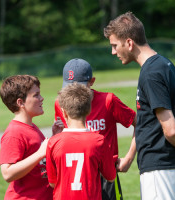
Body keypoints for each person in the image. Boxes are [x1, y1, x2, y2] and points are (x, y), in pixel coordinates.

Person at [104, 11, 175, 200]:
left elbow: (170, 130)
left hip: (160, 168)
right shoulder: (166, 65)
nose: (113, 52)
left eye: (115, 46)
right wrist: (129, 158)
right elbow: (153, 119)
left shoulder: (151, 73)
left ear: (129, 43)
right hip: (170, 166)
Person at [54, 58, 137, 200]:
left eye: (79, 86)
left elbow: (140, 123)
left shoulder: (108, 101)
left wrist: (129, 158)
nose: (73, 92)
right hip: (76, 176)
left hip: (106, 175)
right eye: (69, 86)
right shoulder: (61, 103)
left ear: (91, 82)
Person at [46, 82, 116, 200]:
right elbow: (110, 176)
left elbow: (53, 183)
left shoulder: (53, 143)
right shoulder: (99, 141)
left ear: (64, 112)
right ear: (89, 110)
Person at [0, 75, 63, 200]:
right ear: (20, 102)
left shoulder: (31, 126)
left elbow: (39, 162)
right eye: (36, 95)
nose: (41, 98)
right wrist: (40, 153)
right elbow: (7, 173)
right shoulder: (14, 133)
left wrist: (54, 138)